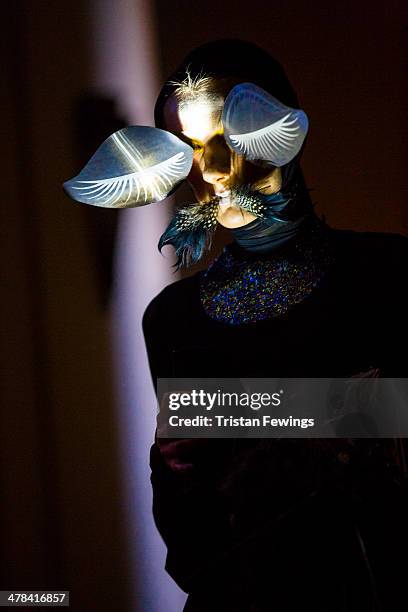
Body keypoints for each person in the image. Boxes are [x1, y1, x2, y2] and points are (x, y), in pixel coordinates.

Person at [142, 40, 408, 611]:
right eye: (190, 147)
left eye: (231, 136)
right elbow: (191, 552)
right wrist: (169, 461)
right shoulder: (173, 318)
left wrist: (230, 412)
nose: (213, 170)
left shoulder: (391, 274)